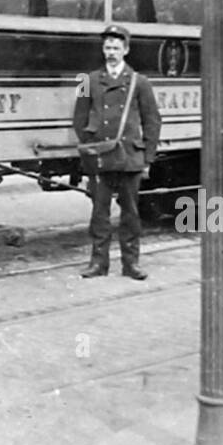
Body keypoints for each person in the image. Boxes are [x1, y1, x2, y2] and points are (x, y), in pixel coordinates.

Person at [71, 24, 161, 280]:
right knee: (99, 214)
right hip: (99, 158)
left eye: (116, 48)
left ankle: (131, 264)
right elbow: (78, 118)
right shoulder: (85, 80)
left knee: (131, 215)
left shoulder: (140, 82)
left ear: (126, 50)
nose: (111, 52)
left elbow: (152, 120)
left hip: (129, 158)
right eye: (107, 47)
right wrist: (90, 144)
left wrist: (148, 156)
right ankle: (98, 264)